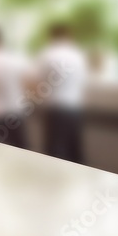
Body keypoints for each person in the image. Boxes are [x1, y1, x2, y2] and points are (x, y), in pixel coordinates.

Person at [36, 22, 87, 164]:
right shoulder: (78, 55)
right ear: (68, 36)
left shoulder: (47, 55)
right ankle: (79, 182)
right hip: (75, 109)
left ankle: (56, 183)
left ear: (52, 36)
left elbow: (37, 82)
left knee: (55, 152)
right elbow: (82, 81)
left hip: (55, 109)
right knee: (75, 150)